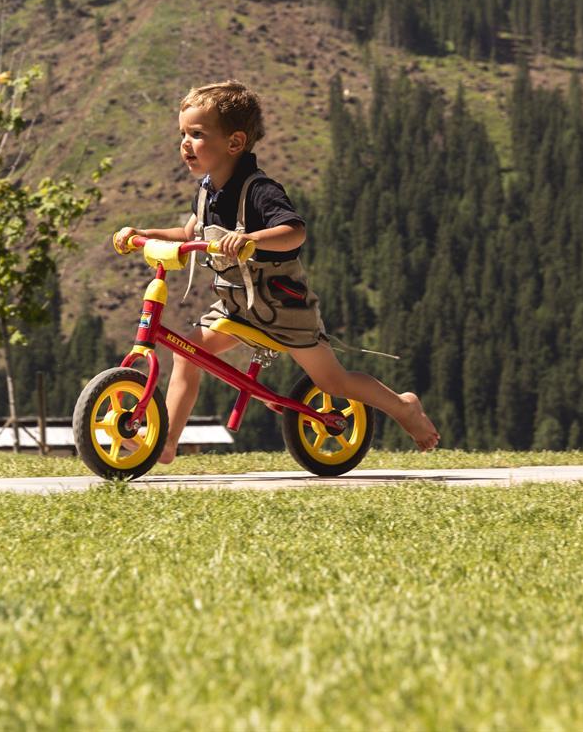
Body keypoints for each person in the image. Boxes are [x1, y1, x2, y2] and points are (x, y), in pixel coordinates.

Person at [112, 80, 440, 462]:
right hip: (237, 305)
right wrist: (143, 234)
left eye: (197, 134)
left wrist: (250, 239)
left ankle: (403, 406)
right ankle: (166, 442)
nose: (185, 143)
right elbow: (188, 234)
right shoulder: (207, 191)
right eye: (182, 134)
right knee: (188, 353)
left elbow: (294, 231)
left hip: (284, 308)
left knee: (332, 382)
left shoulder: (260, 190)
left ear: (235, 143)